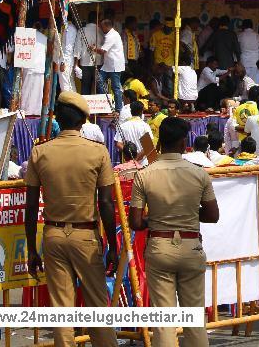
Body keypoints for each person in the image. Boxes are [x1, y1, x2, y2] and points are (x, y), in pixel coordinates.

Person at [24, 92, 118, 347]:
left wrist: (32, 249)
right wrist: (113, 246)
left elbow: (31, 206)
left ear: (57, 119)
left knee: (62, 309)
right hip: (86, 235)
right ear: (83, 121)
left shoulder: (40, 152)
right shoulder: (98, 152)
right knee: (98, 305)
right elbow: (107, 203)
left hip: (53, 234)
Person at [129, 117, 219, 347]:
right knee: (194, 320)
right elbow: (212, 215)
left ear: (159, 142)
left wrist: (157, 217)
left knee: (164, 321)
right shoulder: (199, 174)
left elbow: (136, 222)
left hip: (159, 246)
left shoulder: (144, 174)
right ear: (183, 143)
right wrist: (188, 213)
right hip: (191, 246)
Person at [94, 19, 129, 112]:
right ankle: (105, 105)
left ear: (106, 26)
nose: (101, 28)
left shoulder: (112, 36)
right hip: (107, 65)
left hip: (114, 65)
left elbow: (103, 51)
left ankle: (118, 108)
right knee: (99, 81)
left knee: (115, 87)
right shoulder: (110, 34)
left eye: (102, 27)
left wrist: (93, 49)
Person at [115, 100, 155, 165]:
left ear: (131, 111)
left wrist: (130, 156)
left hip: (128, 164)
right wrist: (137, 157)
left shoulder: (123, 126)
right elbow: (149, 146)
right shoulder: (145, 126)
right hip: (143, 163)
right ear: (142, 111)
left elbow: (119, 144)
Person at [20, 25, 48, 115]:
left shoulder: (26, 36)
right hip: (39, 67)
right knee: (37, 93)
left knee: (25, 90)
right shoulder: (44, 37)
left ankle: (24, 111)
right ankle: (36, 112)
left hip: (28, 66)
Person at [74, 11, 101, 95]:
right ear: (97, 19)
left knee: (85, 87)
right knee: (98, 87)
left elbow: (78, 48)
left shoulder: (82, 30)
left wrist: (76, 64)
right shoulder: (101, 31)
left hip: (85, 63)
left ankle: (85, 106)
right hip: (98, 62)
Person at [58, 19, 78, 93]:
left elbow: (68, 47)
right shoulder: (69, 28)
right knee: (70, 84)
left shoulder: (69, 28)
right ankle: (73, 103)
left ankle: (67, 103)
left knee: (65, 85)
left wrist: (63, 62)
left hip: (66, 59)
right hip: (68, 59)